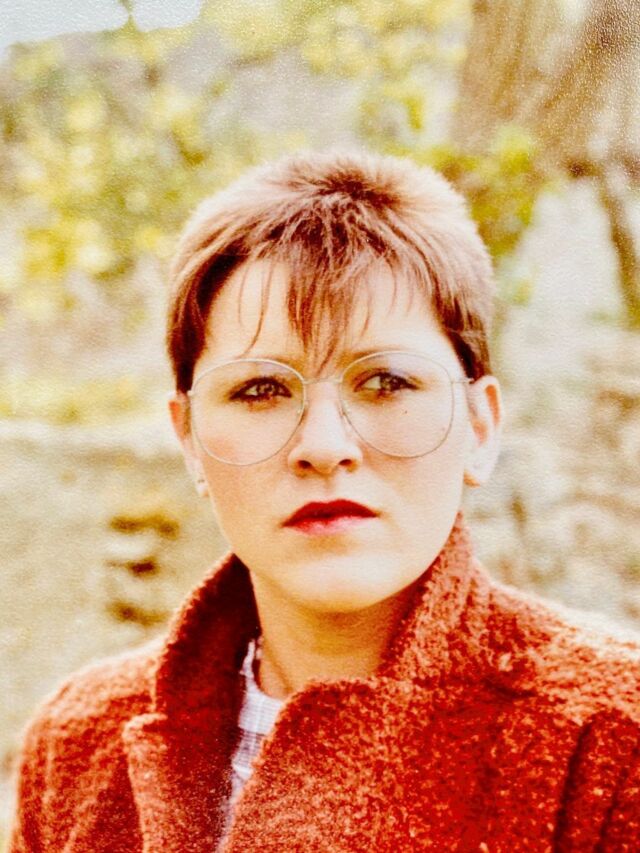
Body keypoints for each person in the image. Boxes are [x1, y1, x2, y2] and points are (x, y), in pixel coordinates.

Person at [9, 150, 640, 852]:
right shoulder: (77, 745)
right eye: (260, 390)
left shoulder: (611, 740)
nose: (323, 445)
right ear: (189, 439)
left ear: (480, 426)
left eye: (388, 382)